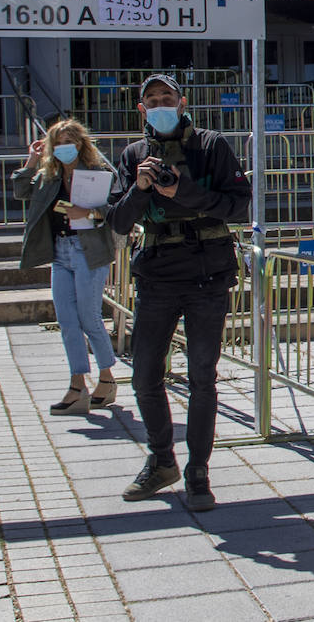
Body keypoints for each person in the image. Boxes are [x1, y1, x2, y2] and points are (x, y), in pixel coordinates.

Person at [107, 73, 250, 512]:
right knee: (145, 373)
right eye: (151, 99)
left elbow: (239, 207)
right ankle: (162, 459)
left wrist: (180, 190)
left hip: (208, 274)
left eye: (167, 97)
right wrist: (142, 186)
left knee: (203, 377)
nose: (160, 103)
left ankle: (198, 471)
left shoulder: (211, 146)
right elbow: (116, 220)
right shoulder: (134, 154)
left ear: (183, 102)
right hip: (158, 278)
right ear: (141, 110)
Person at [12, 118, 121, 416]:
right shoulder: (49, 177)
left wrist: (87, 212)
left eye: (70, 142)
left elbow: (116, 210)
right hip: (60, 251)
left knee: (89, 317)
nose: (64, 148)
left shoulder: (98, 173)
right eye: (58, 143)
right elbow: (21, 190)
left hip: (90, 251)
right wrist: (32, 161)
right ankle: (77, 386)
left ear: (81, 144)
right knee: (67, 321)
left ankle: (107, 378)